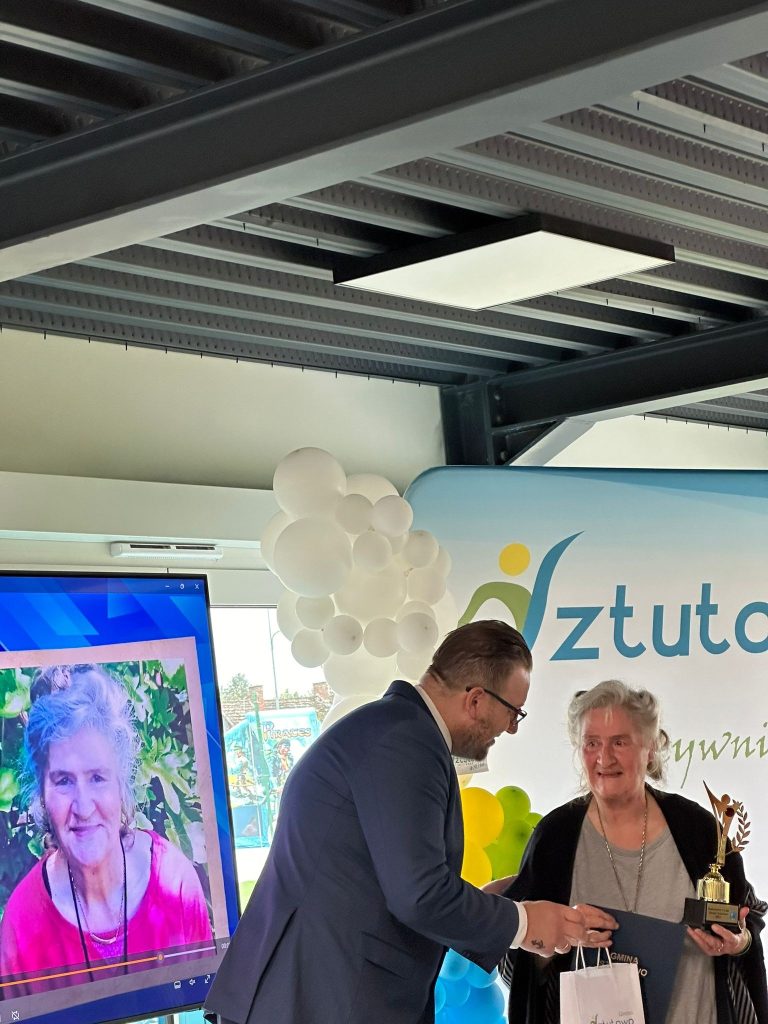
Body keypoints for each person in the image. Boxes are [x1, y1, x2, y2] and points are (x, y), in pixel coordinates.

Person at [204, 620, 615, 1024]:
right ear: (476, 700)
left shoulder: (393, 729)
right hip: (319, 997)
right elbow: (419, 895)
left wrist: (485, 903)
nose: (510, 729)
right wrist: (524, 922)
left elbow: (380, 880)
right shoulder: (406, 742)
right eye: (513, 712)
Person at [499, 680, 768, 1024]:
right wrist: (557, 939)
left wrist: (738, 942)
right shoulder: (555, 838)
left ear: (650, 747)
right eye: (592, 743)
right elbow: (517, 962)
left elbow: (745, 925)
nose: (604, 757)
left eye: (619, 742)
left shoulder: (699, 831)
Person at [0, 663, 213, 995]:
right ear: (42, 792)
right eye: (63, 781)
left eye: (97, 777)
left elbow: (206, 1008)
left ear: (121, 784)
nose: (83, 807)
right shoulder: (22, 924)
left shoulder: (175, 885)